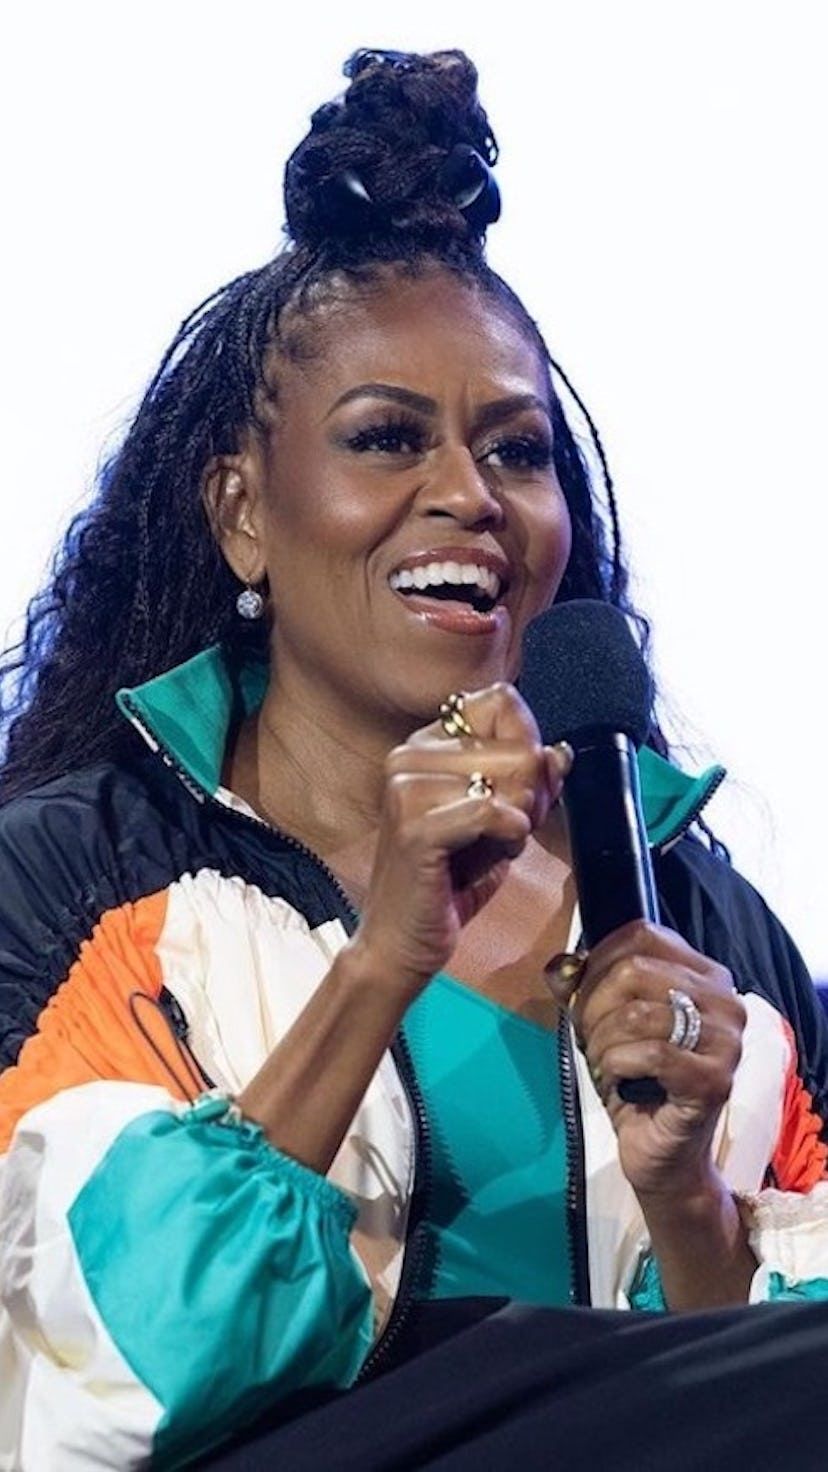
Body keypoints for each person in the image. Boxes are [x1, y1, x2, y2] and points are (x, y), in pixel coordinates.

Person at [0, 46, 827, 1472]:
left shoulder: (699, 918)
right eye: (388, 439)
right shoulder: (76, 873)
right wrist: (383, 959)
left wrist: (688, 1196)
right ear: (244, 514)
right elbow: (84, 1372)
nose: (468, 495)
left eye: (518, 451)